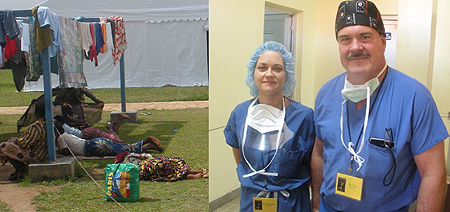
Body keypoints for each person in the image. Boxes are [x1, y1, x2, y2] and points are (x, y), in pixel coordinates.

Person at [311, 1, 448, 212]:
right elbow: (319, 154)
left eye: (365, 37)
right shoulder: (326, 94)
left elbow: (433, 174)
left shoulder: (414, 97)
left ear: (383, 42)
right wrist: (316, 204)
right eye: (345, 39)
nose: (355, 47)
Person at [224, 41, 315, 211]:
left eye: (277, 69)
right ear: (253, 73)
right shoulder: (240, 113)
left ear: (286, 75)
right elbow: (239, 154)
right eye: (262, 68)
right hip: (253, 202)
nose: (269, 74)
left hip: (292, 204)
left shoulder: (304, 117)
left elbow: (314, 163)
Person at [0, 98, 47, 181]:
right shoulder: (48, 124)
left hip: (36, 155)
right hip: (43, 152)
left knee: (4, 146)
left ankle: (21, 170)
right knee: (11, 140)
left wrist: (19, 141)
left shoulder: (36, 127)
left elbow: (25, 144)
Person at [55, 125, 164, 157]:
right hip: (95, 142)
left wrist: (58, 152)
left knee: (121, 150)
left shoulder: (60, 138)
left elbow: (66, 152)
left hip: (91, 148)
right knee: (122, 149)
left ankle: (147, 141)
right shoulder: (67, 135)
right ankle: (150, 146)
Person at [114, 151, 209, 181]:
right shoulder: (130, 156)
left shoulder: (123, 169)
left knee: (177, 174)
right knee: (177, 168)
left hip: (146, 172)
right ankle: (200, 171)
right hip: (153, 163)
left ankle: (199, 175)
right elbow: (147, 156)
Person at [54, 113, 131, 143]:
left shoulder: (62, 128)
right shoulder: (64, 126)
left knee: (115, 140)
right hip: (86, 132)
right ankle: (115, 123)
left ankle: (112, 125)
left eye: (56, 122)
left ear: (60, 122)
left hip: (85, 134)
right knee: (112, 138)